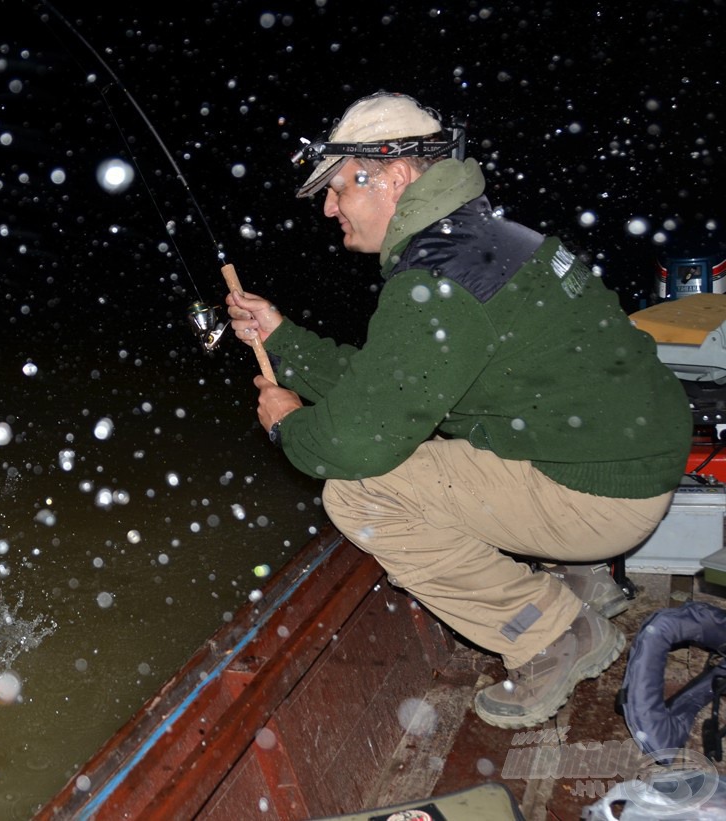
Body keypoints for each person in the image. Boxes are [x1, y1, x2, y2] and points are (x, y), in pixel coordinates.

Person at [226, 91, 691, 729]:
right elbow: (391, 385)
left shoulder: (439, 280)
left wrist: (287, 426)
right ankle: (585, 577)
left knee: (359, 494)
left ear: (393, 176)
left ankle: (552, 634)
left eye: (337, 188)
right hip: (635, 460)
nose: (329, 207)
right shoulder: (491, 238)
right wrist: (281, 338)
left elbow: (357, 441)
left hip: (603, 496)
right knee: (447, 437)